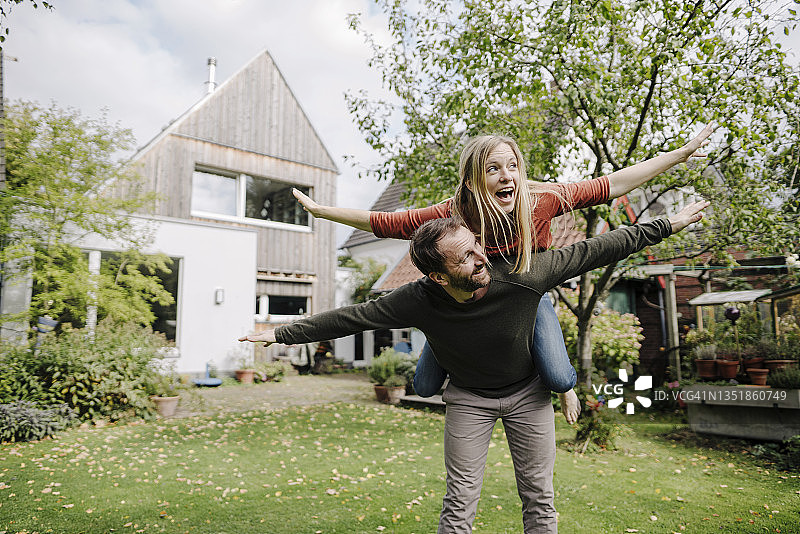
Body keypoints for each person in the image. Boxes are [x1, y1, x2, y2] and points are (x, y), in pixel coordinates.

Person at [240, 201, 707, 533]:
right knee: (460, 497)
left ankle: (469, 355)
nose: (480, 256)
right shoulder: (416, 298)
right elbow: (349, 318)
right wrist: (279, 333)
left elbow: (600, 248)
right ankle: (438, 347)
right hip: (468, 396)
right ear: (438, 276)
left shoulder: (523, 273)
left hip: (526, 392)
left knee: (538, 495)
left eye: (476, 247)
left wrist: (669, 224)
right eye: (465, 256)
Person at [292, 124, 713, 423]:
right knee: (422, 387)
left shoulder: (542, 200)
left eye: (511, 165)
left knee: (557, 375)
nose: (506, 175)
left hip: (525, 295)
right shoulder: (454, 213)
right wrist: (320, 210)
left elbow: (613, 185)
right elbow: (383, 222)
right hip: (464, 302)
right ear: (476, 180)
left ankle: (563, 387)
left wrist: (676, 156)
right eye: (494, 169)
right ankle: (442, 336)